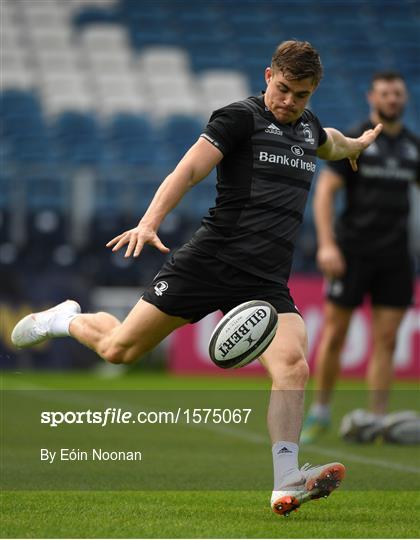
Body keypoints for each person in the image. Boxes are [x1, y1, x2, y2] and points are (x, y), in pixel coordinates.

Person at [11, 41, 382, 516]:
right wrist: (149, 222)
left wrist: (357, 146)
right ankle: (64, 319)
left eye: (302, 95)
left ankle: (286, 479)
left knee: (293, 366)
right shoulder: (238, 117)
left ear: (313, 93)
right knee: (119, 350)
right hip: (209, 261)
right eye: (284, 89)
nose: (290, 102)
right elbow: (187, 170)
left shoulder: (308, 127)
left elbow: (331, 141)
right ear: (268, 76)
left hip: (266, 282)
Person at [301, 71, 420, 445]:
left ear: (405, 98)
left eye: (398, 94)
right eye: (386, 93)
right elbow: (325, 193)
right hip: (351, 253)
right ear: (373, 97)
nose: (392, 99)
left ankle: (378, 420)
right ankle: (319, 413)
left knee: (386, 340)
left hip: (396, 256)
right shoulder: (356, 139)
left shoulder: (414, 147)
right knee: (335, 334)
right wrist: (327, 245)